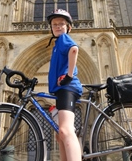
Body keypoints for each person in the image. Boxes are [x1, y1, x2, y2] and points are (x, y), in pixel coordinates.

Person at [47, 9, 82, 161]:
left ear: (69, 27)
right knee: (59, 134)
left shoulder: (63, 39)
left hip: (68, 88)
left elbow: (74, 50)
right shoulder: (57, 43)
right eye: (55, 24)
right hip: (61, 90)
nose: (58, 26)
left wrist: (69, 75)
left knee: (65, 131)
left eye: (62, 24)